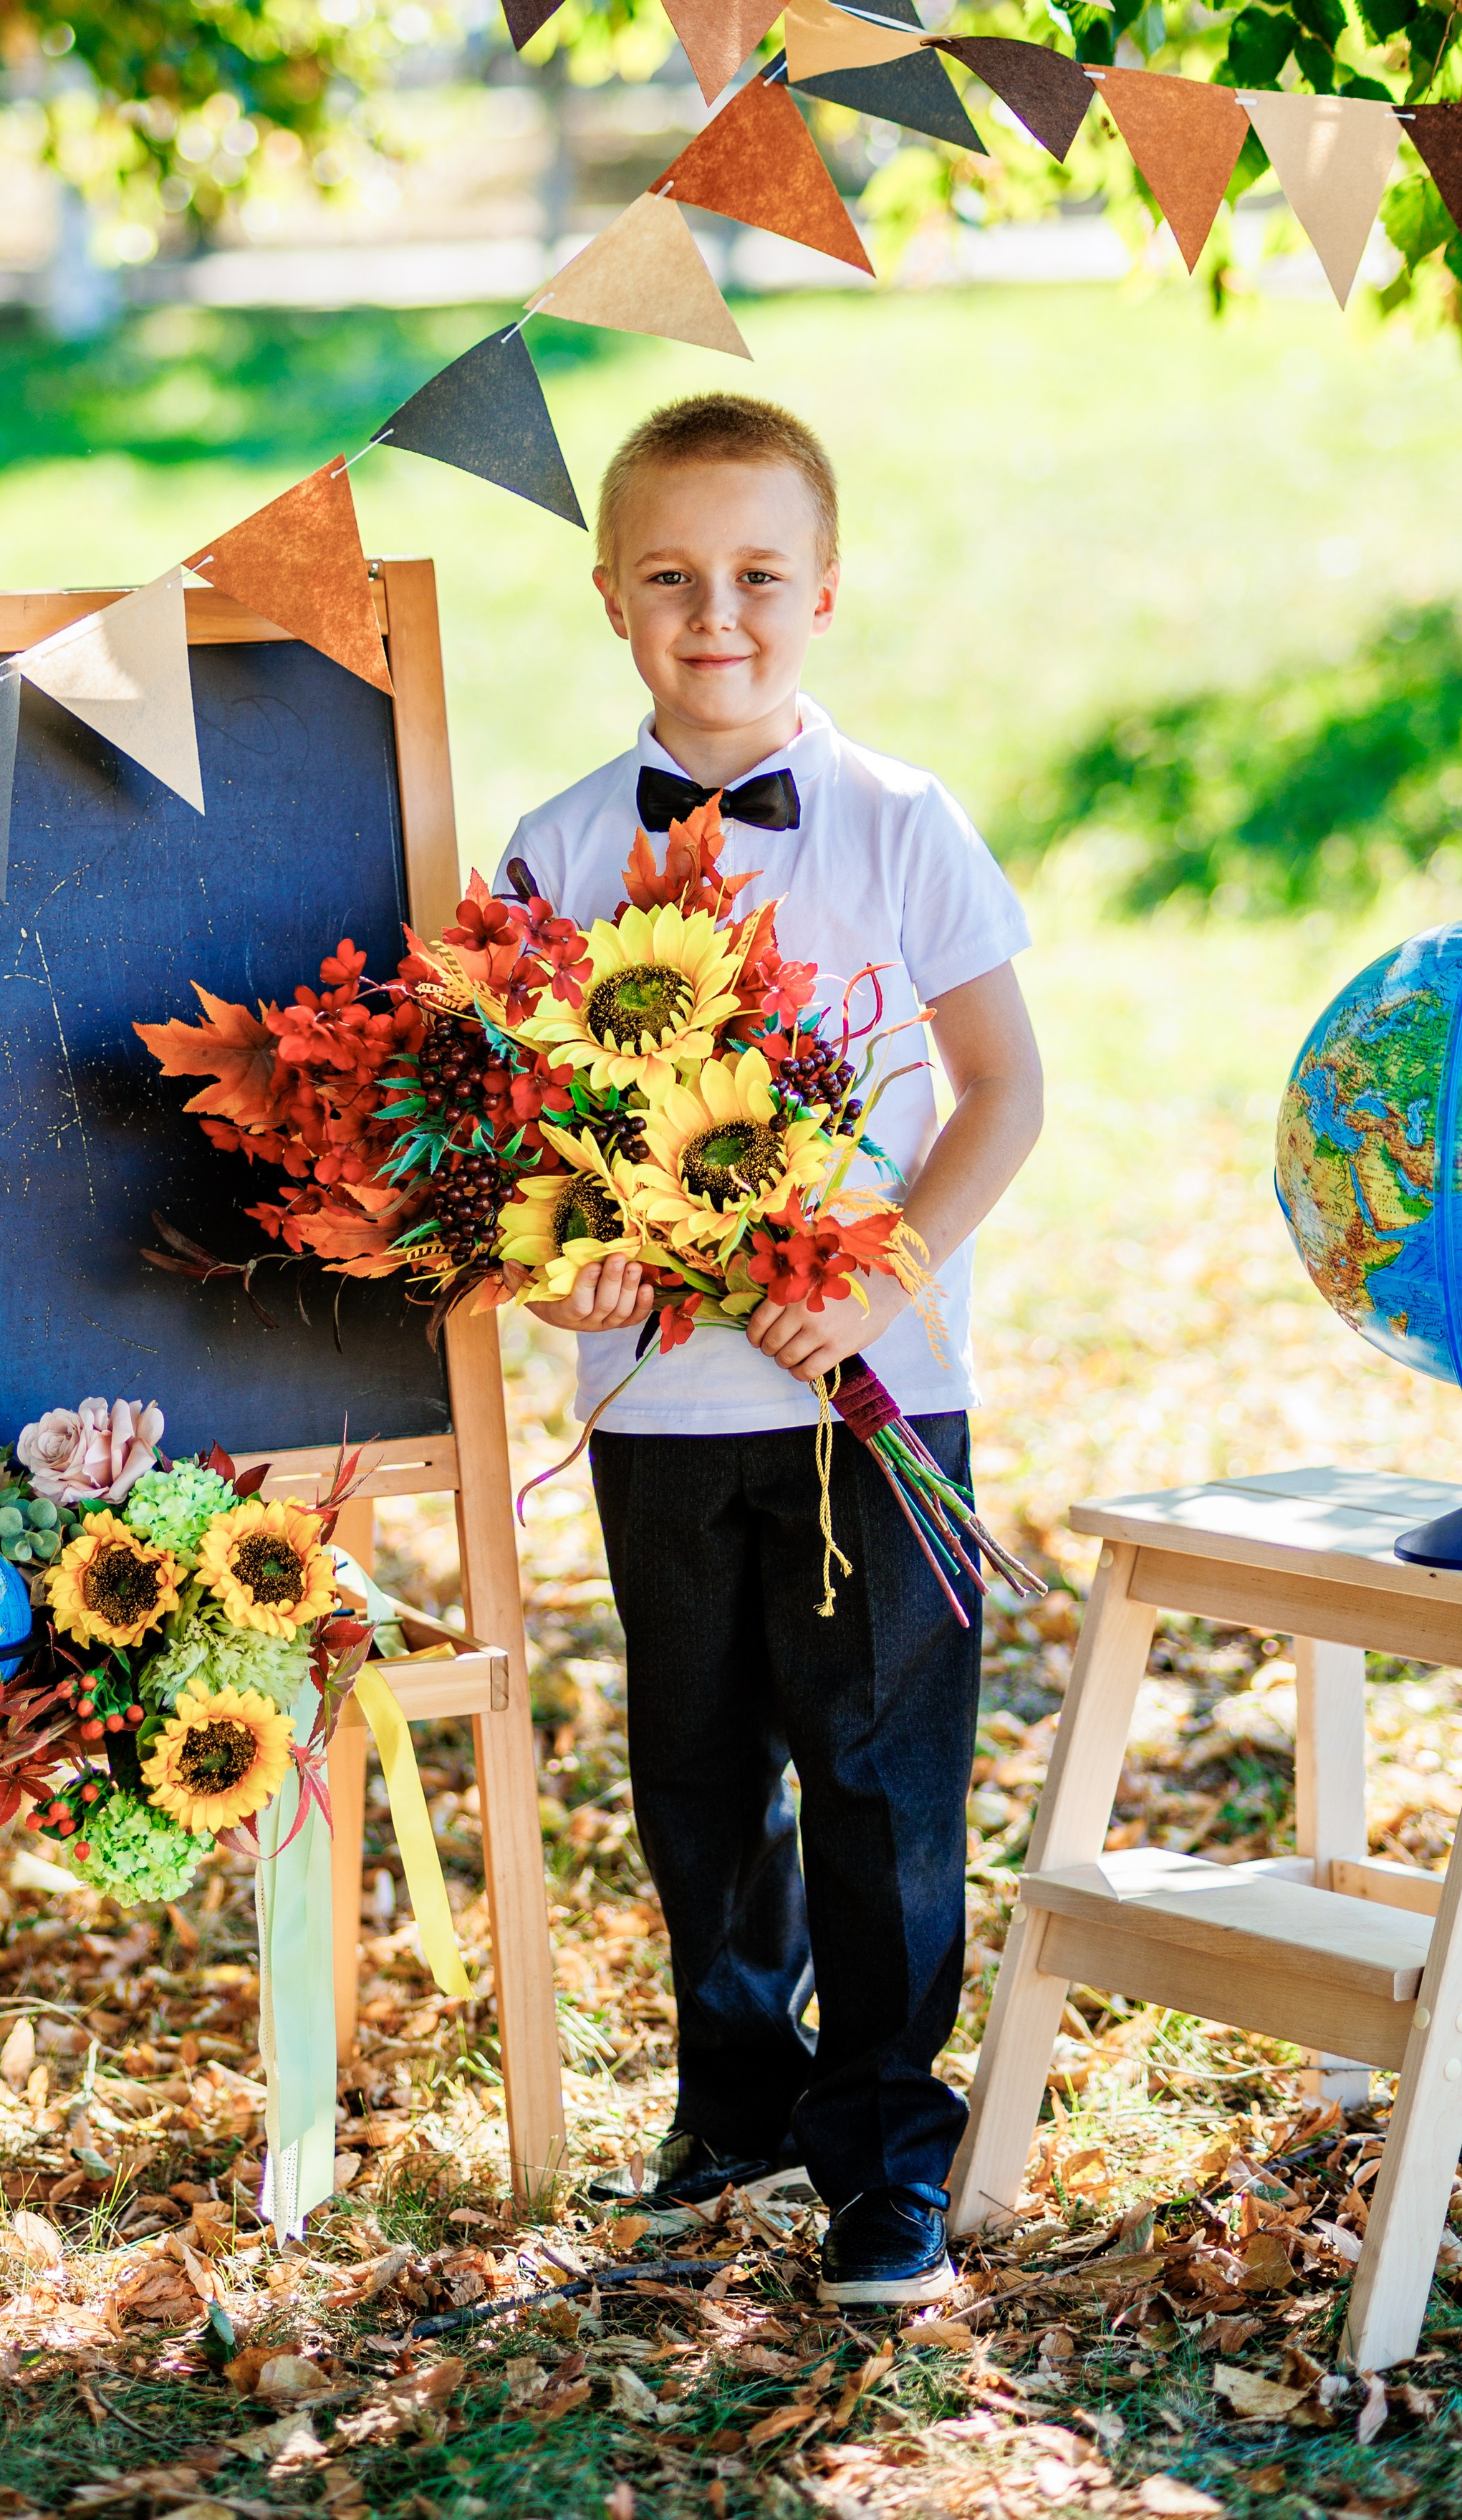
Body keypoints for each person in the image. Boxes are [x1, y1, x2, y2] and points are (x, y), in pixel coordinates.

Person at [497, 394, 1044, 2308]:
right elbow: (521, 1139)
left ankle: (885, 2149)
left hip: (875, 1399)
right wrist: (556, 1263)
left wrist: (885, 1270)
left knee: (882, 1771)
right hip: (658, 1411)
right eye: (670, 578)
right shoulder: (559, 850)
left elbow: (1001, 1091)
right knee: (700, 1765)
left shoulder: (903, 825)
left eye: (753, 576)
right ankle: (733, 2109)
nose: (712, 613)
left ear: (824, 592)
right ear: (608, 598)